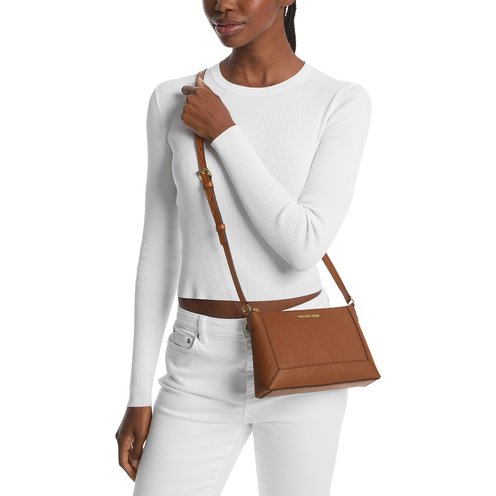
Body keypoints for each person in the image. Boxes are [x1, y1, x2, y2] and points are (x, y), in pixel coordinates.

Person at [115, 1, 372, 495]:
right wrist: (137, 393)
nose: (222, 4)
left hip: (303, 358)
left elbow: (303, 243)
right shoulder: (173, 98)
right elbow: (159, 249)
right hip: (196, 362)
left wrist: (225, 133)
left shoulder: (339, 100)